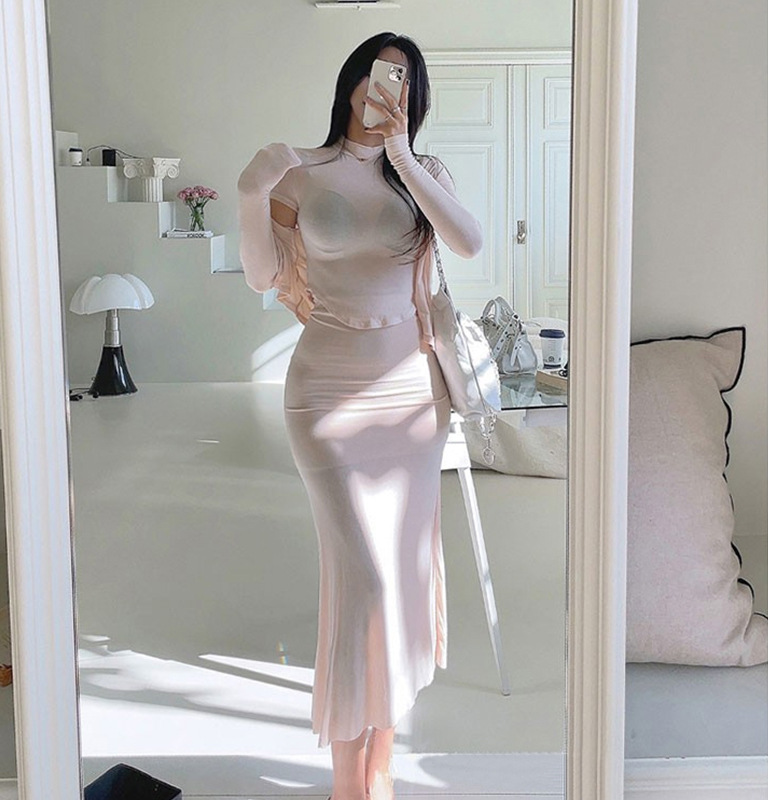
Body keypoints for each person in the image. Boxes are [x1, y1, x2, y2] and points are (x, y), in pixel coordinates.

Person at [237, 32, 482, 800]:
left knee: (401, 583)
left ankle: (377, 767)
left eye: (403, 79)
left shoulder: (423, 173)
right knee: (367, 587)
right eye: (380, 73)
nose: (387, 88)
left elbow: (469, 242)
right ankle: (352, 781)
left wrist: (402, 157)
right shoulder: (300, 172)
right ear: (352, 81)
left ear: (414, 95)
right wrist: (250, 196)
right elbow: (262, 275)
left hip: (412, 398)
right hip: (325, 394)